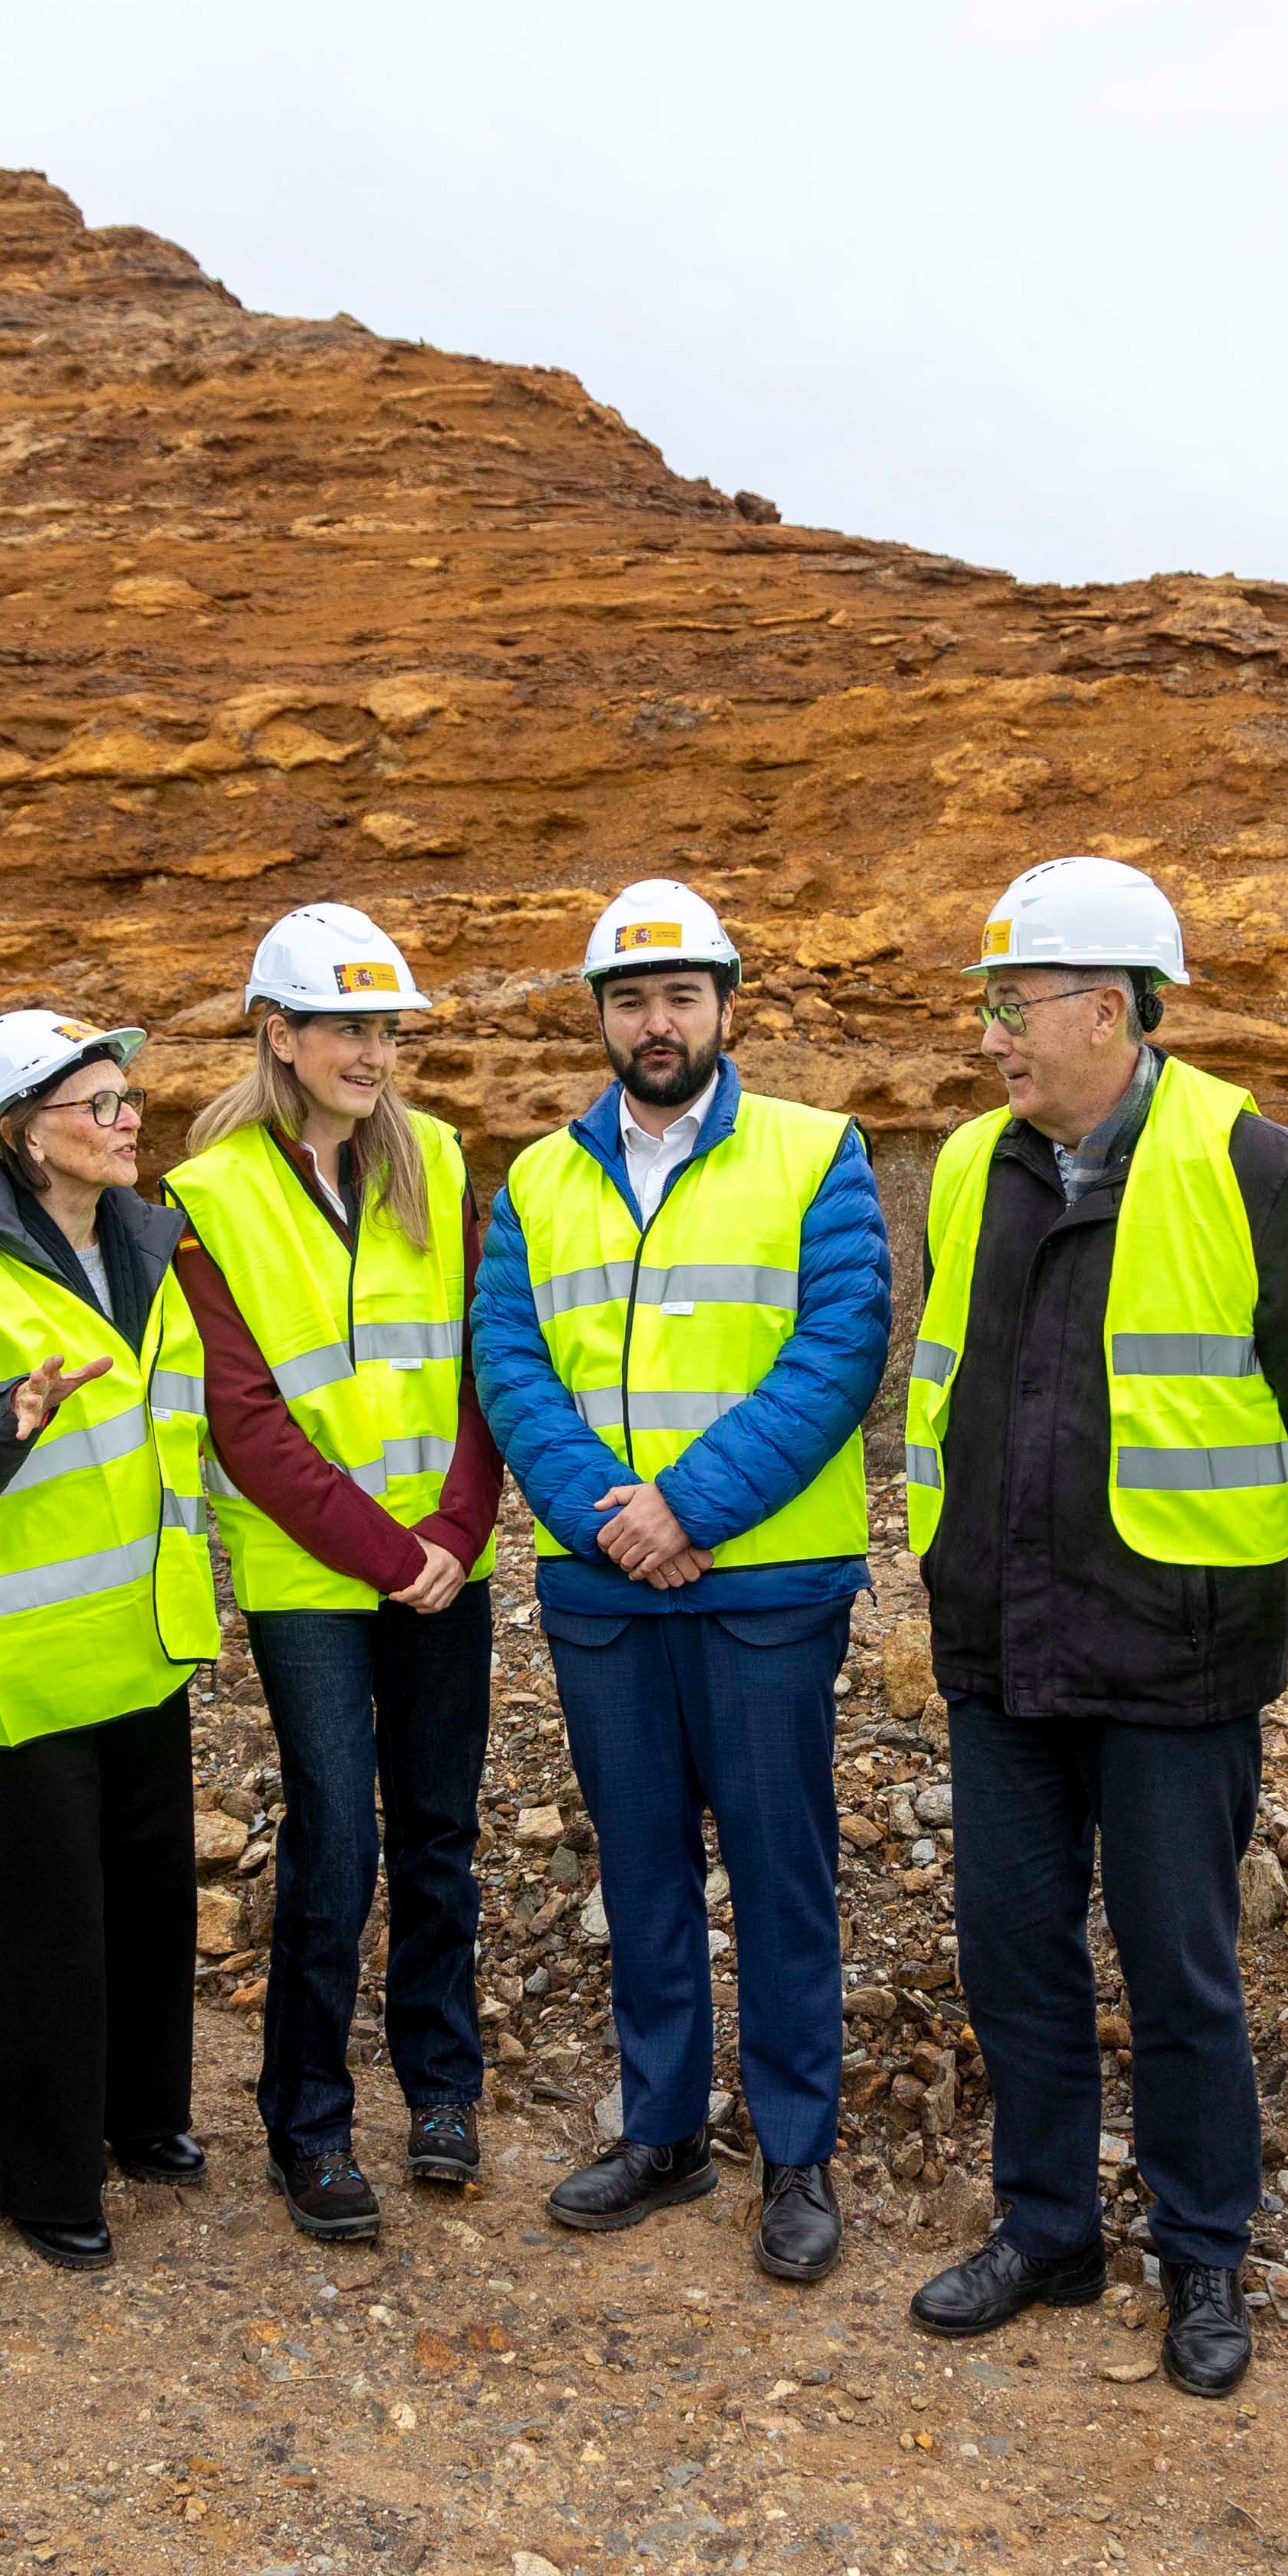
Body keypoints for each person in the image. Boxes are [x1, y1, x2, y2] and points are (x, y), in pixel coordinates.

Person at [899, 858, 1288, 2394]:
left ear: (1110, 1010)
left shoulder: (1257, 1164)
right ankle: (1046, 2228)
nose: (993, 1036)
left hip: (1176, 1653)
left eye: (1015, 1005)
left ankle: (1202, 2256)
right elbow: (965, 1376)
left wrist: (1207, 1565)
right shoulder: (974, 1162)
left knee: (1179, 1968)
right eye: (990, 1008)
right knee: (1015, 1954)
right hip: (1000, 1644)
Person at [474, 879, 893, 2284]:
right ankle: (659, 2132)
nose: (656, 1024)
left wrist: (690, 1507)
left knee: (781, 1878)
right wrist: (613, 1522)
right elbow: (512, 1365)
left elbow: (841, 1350)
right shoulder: (537, 1179)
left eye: (679, 997)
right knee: (642, 1873)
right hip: (605, 1589)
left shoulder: (815, 1151)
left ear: (725, 1006)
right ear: (600, 1016)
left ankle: (795, 2157)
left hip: (764, 1585)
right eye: (630, 1001)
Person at [165, 905, 507, 2244]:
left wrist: (460, 1535)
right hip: (314, 1579)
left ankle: (440, 2091)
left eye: (387, 1030)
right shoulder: (209, 1194)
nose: (374, 1053)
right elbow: (246, 1422)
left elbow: (484, 1363)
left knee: (440, 1833)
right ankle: (306, 2121)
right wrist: (393, 1552)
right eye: (349, 1029)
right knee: (336, 1844)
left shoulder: (432, 1155)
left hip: (442, 1564)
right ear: (280, 1037)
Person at [0, 1011, 217, 2269]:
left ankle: (142, 2120)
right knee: (43, 1933)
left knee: (145, 1902)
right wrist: (11, 1413)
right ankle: (44, 2176)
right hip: (24, 1663)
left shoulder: (150, 1244)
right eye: (97, 1104)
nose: (128, 1119)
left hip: (143, 1631)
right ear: (18, 1133)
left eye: (129, 1099)